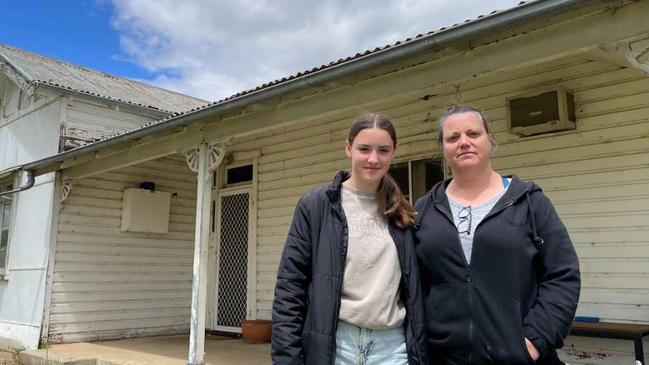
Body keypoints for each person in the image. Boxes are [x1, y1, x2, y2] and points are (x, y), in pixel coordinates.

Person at [414, 105, 580, 365]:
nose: (464, 143)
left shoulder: (530, 203)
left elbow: (563, 275)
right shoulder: (424, 211)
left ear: (489, 140)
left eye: (473, 133)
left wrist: (535, 341)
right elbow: (413, 285)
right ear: (443, 148)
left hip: (519, 359)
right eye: (453, 138)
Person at [272, 113, 428, 365]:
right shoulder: (316, 206)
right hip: (335, 346)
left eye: (383, 150)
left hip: (392, 348)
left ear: (394, 153)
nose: (373, 158)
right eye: (364, 149)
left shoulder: (404, 214)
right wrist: (287, 357)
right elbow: (290, 288)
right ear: (348, 148)